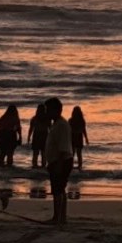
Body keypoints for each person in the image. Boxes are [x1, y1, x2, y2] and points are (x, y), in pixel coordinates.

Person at [44, 96, 74, 225]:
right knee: (59, 189)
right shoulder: (56, 124)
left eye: (48, 110)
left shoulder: (61, 125)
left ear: (56, 110)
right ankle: (61, 217)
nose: (46, 112)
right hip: (57, 161)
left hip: (61, 161)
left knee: (58, 190)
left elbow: (63, 148)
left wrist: (59, 165)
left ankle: (58, 217)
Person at [28, 102, 48, 168]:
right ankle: (43, 166)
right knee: (43, 152)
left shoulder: (34, 118)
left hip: (37, 135)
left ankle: (35, 165)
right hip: (44, 135)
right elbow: (51, 128)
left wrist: (29, 136)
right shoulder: (47, 118)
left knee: (35, 152)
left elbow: (31, 128)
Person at [69, 106, 89, 171]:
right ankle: (79, 166)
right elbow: (84, 130)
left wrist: (86, 138)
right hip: (78, 136)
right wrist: (86, 138)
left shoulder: (71, 120)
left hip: (73, 136)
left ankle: (72, 166)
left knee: (73, 153)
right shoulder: (81, 120)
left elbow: (68, 130)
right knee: (78, 153)